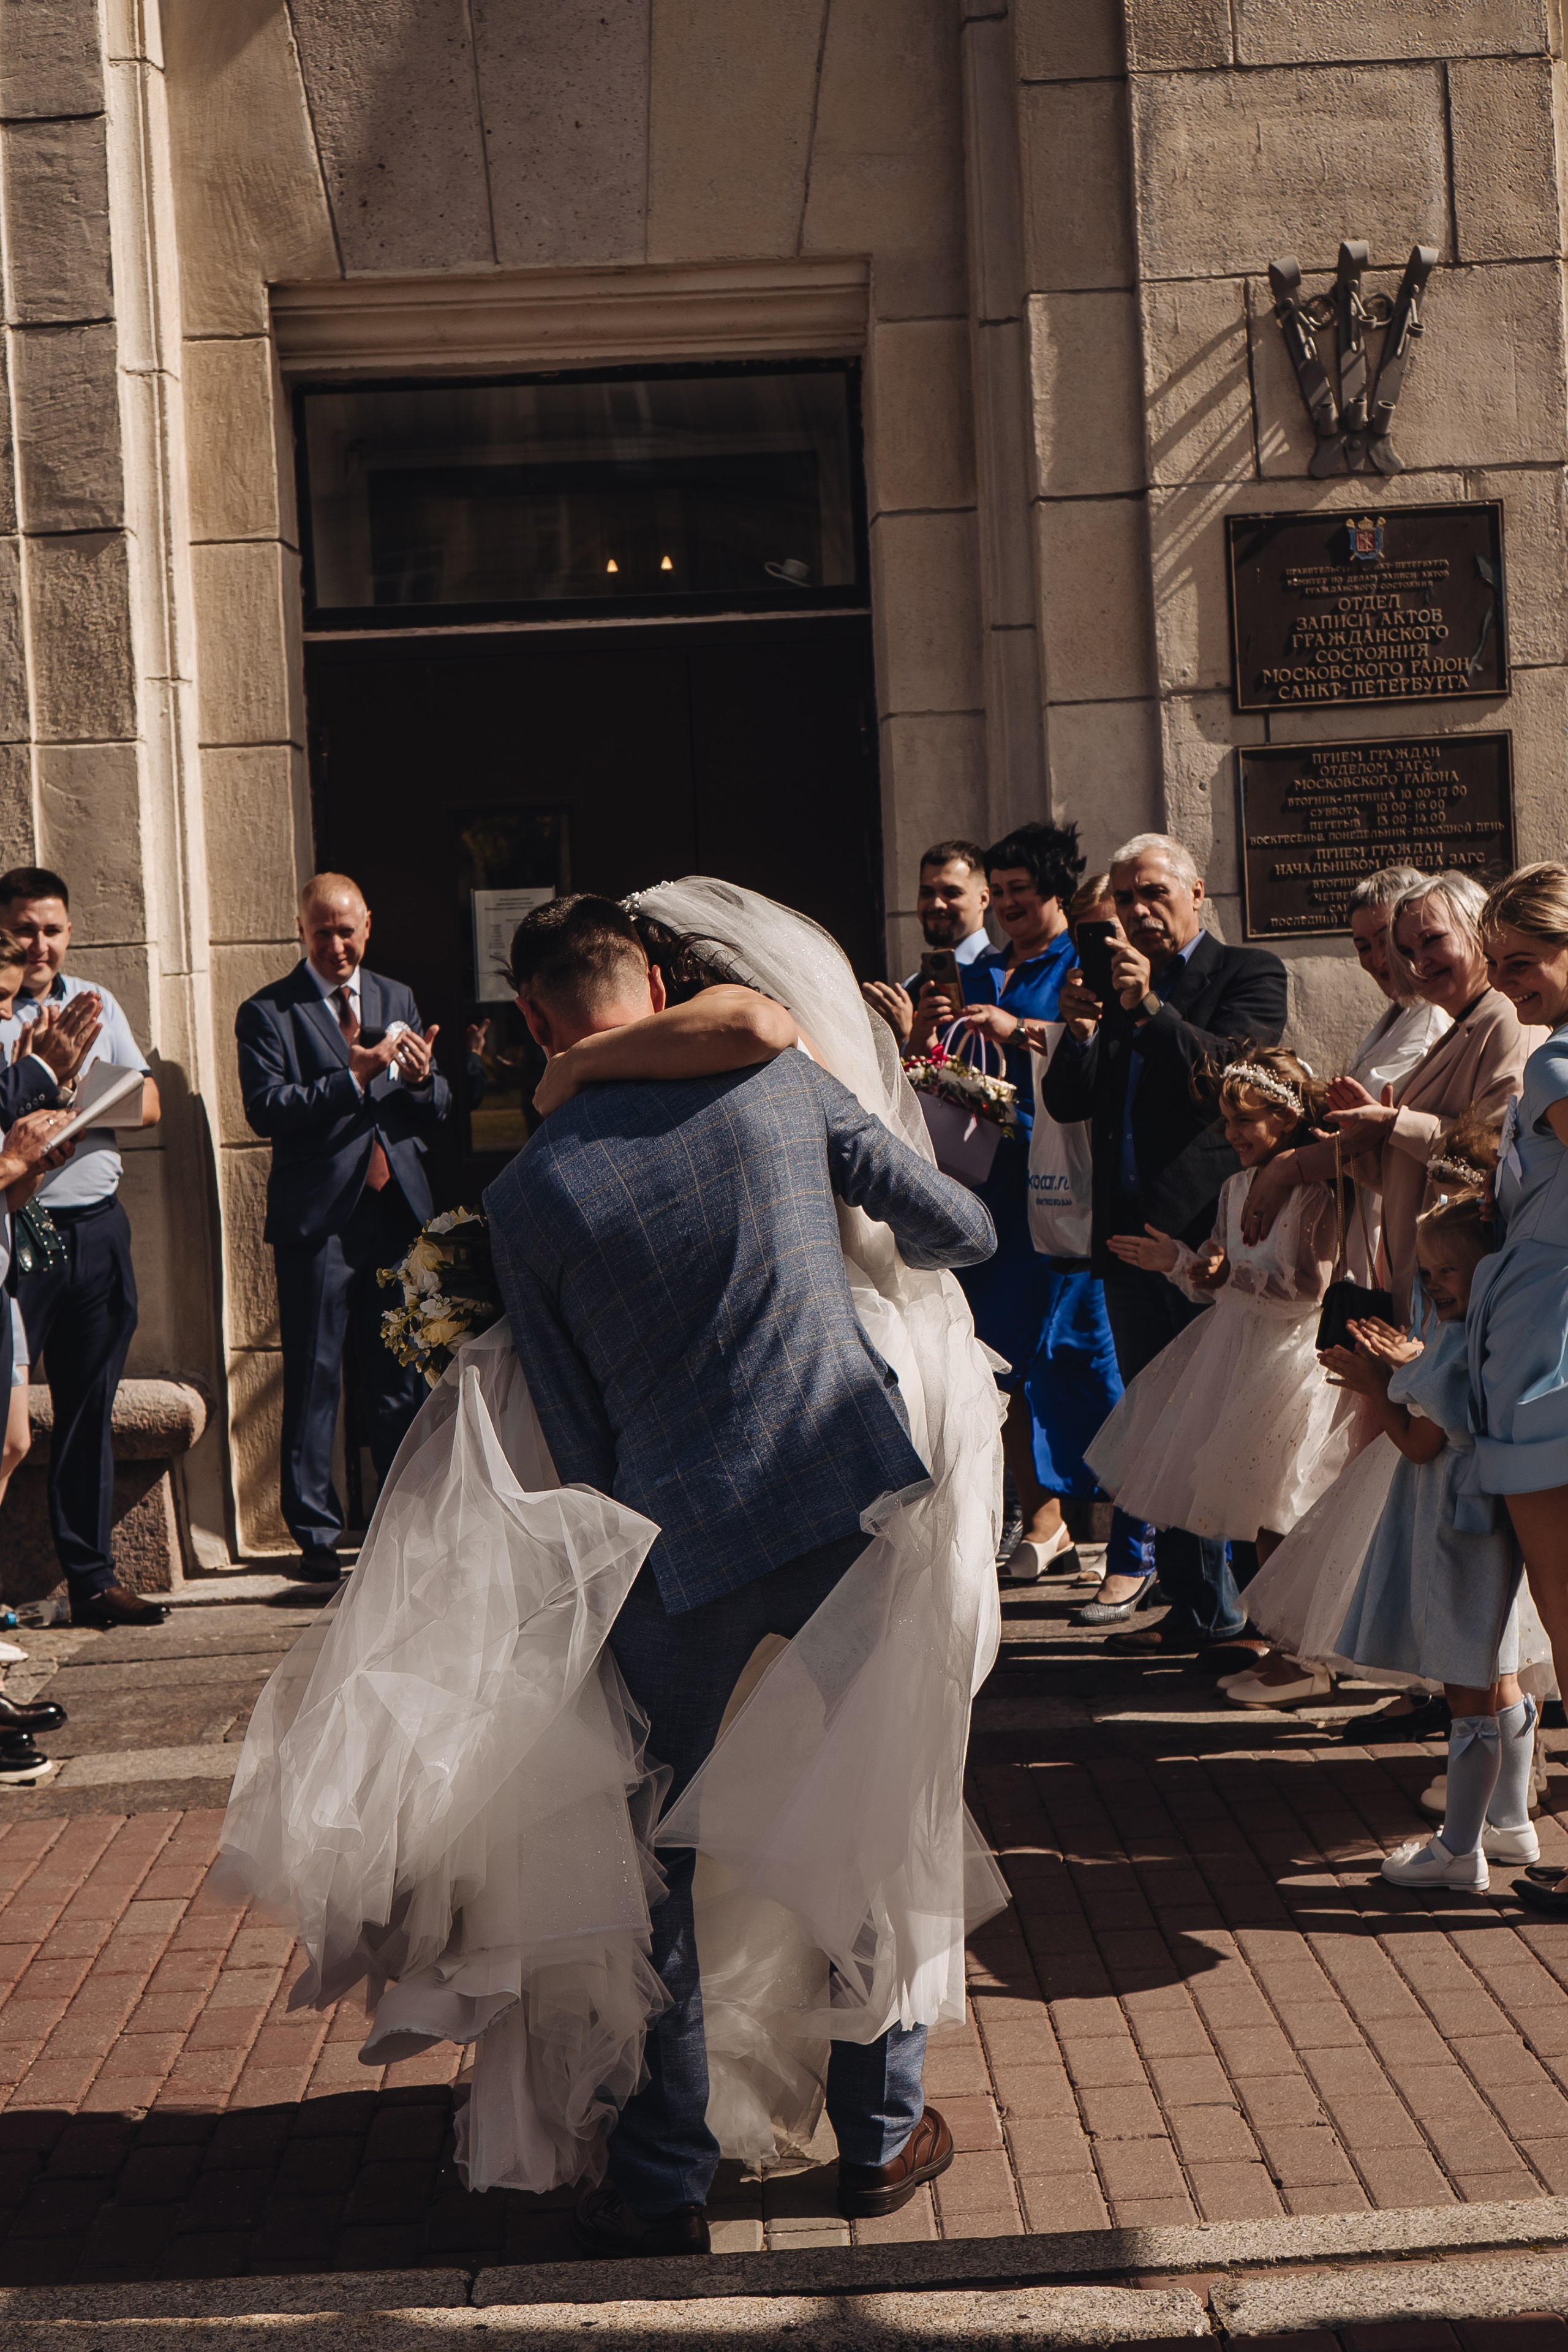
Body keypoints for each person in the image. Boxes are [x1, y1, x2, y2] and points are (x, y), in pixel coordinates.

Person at [217, 878, 1008, 2252]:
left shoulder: (528, 1193)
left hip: (675, 1552)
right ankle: (878, 2142)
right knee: (872, 1810)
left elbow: (579, 1444)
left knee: (656, 1869)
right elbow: (965, 1231)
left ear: (530, 1021)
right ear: (653, 981)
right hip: (846, 1514)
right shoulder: (783, 1088)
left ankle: (660, 2177)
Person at [1041, 832, 1287, 1654]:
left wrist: (1150, 1009)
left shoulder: (1248, 973)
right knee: (1157, 1423)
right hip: (1129, 1237)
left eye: (1154, 893)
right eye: (1128, 896)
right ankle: (1191, 1602)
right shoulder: (1109, 990)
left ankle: (1240, 1610)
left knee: (1216, 1422)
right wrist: (1076, 1031)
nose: (1140, 910)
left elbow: (1235, 1078)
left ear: (1197, 893)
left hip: (1209, 1238)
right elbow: (1072, 1103)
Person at [1085, 1049, 1369, 1684]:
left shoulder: (1314, 1193)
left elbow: (1304, 1289)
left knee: (1281, 1510)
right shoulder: (1234, 1187)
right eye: (1226, 1121)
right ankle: (1274, 1642)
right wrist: (1180, 1263)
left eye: (1246, 1120)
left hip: (1289, 1360)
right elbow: (1215, 1282)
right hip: (1235, 1353)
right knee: (1250, 1510)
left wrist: (1226, 1274)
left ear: (1287, 1118)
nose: (1231, 1134)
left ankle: (1306, 1650)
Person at [235, 873, 453, 1578]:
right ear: (300, 930)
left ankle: (400, 1526)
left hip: (393, 1214)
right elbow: (268, 1108)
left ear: (368, 926)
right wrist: (352, 1078)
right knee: (316, 1375)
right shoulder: (268, 1012)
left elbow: (436, 1104)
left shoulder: (397, 998)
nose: (337, 944)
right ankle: (317, 1538)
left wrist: (423, 1080)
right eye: (322, 931)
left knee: (397, 1379)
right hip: (320, 1223)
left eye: (347, 929)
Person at [1328, 1193, 1536, 1891]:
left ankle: (1459, 1850)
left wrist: (1375, 1387)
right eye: (1426, 1271)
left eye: (1449, 1270)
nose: (1433, 1283)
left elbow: (1421, 1445)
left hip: (1453, 1527)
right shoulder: (1489, 1333)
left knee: (1465, 1688)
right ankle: (1510, 1824)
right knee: (1498, 1670)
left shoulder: (1456, 1348)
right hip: (1490, 1525)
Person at [1242, 870, 1537, 1319]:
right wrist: (1358, 1146)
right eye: (1406, 951)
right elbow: (1412, 1171)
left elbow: (1496, 1153)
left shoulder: (1505, 1020)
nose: (1417, 963)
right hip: (1422, 1276)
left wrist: (1392, 1123)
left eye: (1432, 941)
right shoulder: (1460, 1023)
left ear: (1477, 928)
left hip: (1470, 1284)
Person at [0, 867, 164, 1631]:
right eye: (27, 929)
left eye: (54, 929)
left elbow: (149, 1101)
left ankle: (92, 1581)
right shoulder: (0, 1012)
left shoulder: (93, 1004)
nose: (42, 945)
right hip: (20, 1231)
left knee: (90, 1407)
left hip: (96, 1225)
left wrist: (69, 1107)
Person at [1459, 863, 1568, 1915]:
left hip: (1549, 1369)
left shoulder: (1557, 1067)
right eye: (1497, 965)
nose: (1508, 984)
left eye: (1522, 963)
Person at [862, 840, 991, 1047]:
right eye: (927, 893)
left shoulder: (1001, 975)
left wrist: (908, 1037)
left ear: (983, 899)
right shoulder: (911, 985)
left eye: (952, 893)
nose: (937, 904)